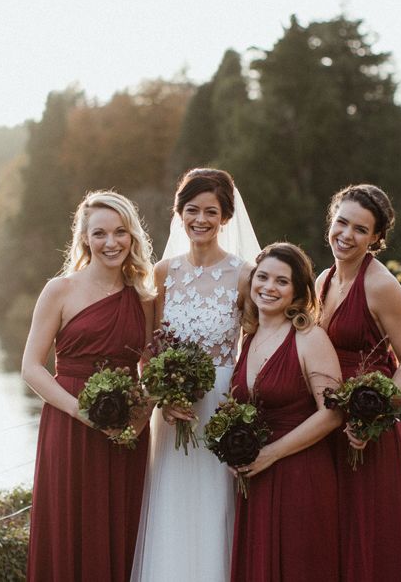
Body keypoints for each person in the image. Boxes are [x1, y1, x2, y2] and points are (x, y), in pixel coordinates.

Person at [131, 168, 260, 582]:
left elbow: (256, 348)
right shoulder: (163, 273)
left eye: (211, 211)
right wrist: (162, 397)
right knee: (171, 503)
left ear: (225, 217)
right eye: (192, 210)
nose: (200, 219)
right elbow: (149, 349)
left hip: (221, 405)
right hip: (171, 412)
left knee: (215, 504)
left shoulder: (245, 275)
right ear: (179, 213)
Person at [22, 190, 156, 582]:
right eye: (99, 233)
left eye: (120, 232)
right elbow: (31, 367)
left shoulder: (143, 296)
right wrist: (80, 412)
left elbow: (149, 365)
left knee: (118, 524)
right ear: (84, 237)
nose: (110, 243)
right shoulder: (59, 290)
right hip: (68, 424)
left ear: (132, 236)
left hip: (125, 430)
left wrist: (141, 417)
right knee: (69, 522)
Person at [316, 184, 401, 582]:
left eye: (361, 229)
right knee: (333, 530)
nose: (347, 235)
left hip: (368, 430)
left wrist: (373, 416)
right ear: (331, 221)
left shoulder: (380, 286)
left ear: (376, 237)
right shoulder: (321, 281)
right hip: (328, 423)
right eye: (341, 222)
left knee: (369, 533)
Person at [229, 243, 343, 581]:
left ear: (296, 292)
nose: (268, 287)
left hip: (301, 473)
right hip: (258, 476)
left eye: (282, 281)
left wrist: (271, 454)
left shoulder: (309, 337)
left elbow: (333, 413)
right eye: (262, 277)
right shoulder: (248, 336)